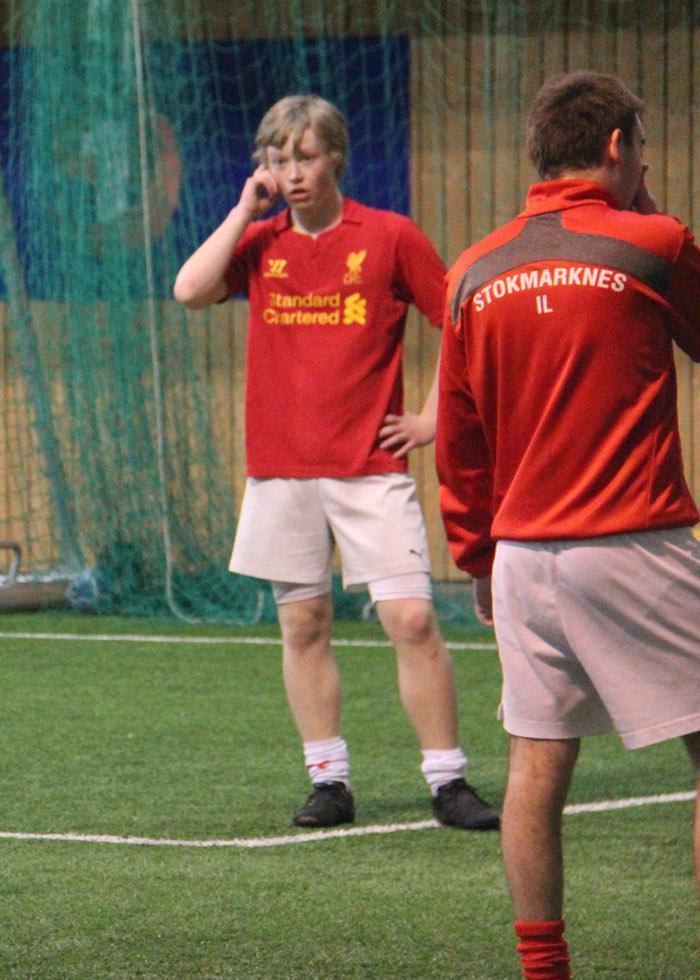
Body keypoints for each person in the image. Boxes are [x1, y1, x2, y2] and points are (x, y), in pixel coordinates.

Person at [172, 94, 499, 831]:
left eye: (305, 157)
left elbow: (462, 321)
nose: (292, 173)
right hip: (281, 471)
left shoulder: (389, 236)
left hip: (369, 470)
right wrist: (243, 210)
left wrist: (432, 417)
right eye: (277, 159)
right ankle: (329, 782)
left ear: (337, 158)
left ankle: (448, 781)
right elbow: (189, 289)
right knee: (304, 625)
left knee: (411, 618)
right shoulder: (259, 243)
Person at [438, 71, 700, 979]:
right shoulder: (653, 242)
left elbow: (460, 442)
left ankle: (544, 971)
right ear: (620, 147)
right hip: (633, 540)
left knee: (536, 767)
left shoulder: (472, 270)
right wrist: (654, 218)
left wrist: (475, 557)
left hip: (522, 558)